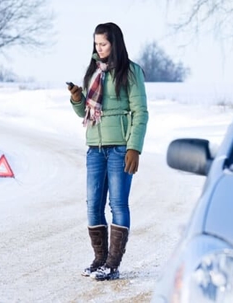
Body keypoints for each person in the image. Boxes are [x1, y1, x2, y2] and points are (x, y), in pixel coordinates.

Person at [68, 22, 148, 281]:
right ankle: (99, 259)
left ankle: (113, 263)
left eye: (103, 43)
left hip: (119, 148)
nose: (98, 48)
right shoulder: (94, 71)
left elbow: (140, 112)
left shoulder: (131, 72)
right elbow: (86, 113)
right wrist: (77, 99)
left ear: (115, 43)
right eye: (95, 44)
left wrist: (134, 147)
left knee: (118, 204)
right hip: (95, 148)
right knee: (93, 205)